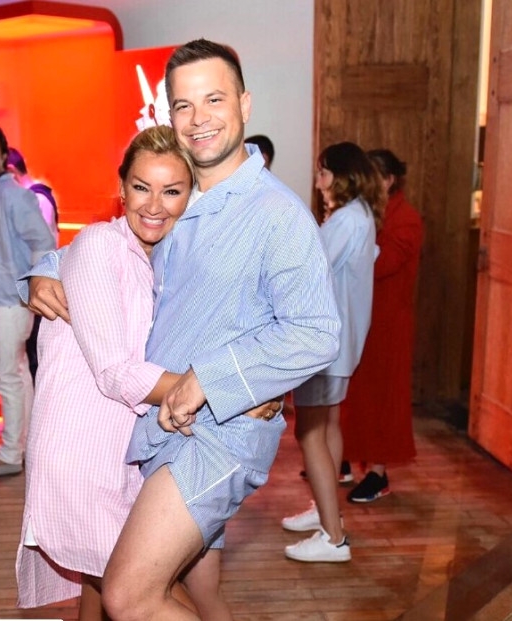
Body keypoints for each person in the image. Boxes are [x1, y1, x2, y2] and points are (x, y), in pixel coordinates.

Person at [25, 39, 340, 620]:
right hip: (157, 430)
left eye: (214, 99)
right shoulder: (185, 194)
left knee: (129, 595)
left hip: (217, 436)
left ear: (244, 104)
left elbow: (317, 333)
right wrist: (45, 270)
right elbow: (121, 246)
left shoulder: (276, 215)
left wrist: (209, 380)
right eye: (183, 105)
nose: (199, 118)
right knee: (186, 592)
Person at [18, 125, 254, 619]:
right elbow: (116, 371)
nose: (154, 205)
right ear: (121, 187)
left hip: (136, 448)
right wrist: (232, 391)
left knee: (106, 585)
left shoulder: (173, 258)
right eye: (142, 187)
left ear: (191, 194)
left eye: (172, 191)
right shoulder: (101, 246)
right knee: (143, 592)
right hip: (84, 452)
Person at [282, 142, 382, 563]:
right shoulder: (360, 214)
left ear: (341, 177)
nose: (318, 180)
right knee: (327, 427)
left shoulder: (345, 220)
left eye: (323, 173)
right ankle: (325, 510)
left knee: (309, 433)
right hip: (342, 342)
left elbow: (309, 270)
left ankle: (333, 537)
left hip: (325, 343)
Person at [0, 122, 56, 478]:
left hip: (10, 299)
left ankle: (10, 453)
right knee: (17, 373)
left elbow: (43, 242)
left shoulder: (13, 195)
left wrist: (34, 289)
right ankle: (27, 445)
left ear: (4, 154)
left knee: (8, 375)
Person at [341, 149, 424, 503]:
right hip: (365, 317)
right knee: (356, 395)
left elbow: (383, 263)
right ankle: (346, 458)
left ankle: (378, 471)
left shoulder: (406, 218)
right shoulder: (370, 211)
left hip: (388, 324)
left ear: (389, 180)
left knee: (383, 399)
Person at [6, 146, 60, 384]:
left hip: (39, 282)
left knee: (36, 358)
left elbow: (36, 245)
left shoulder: (36, 199)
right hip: (35, 282)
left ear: (11, 172)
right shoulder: (35, 197)